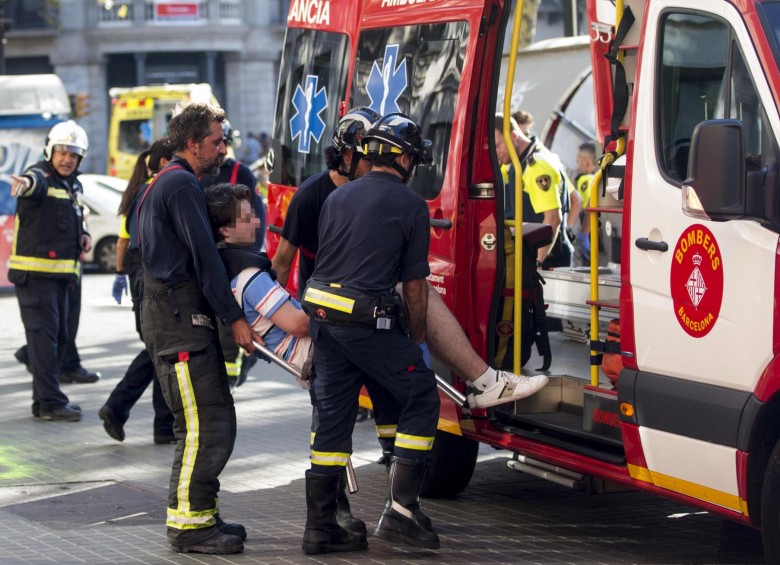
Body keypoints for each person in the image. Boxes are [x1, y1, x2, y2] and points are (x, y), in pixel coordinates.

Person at [273, 107, 547, 410]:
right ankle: (485, 381)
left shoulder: (362, 195)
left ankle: (481, 382)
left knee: (377, 402)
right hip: (331, 310)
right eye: (369, 156)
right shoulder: (314, 195)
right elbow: (283, 262)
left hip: (365, 303)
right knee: (344, 407)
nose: (376, 163)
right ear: (347, 157)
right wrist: (280, 326)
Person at [297, 113, 444, 553]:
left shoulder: (338, 198)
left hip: (324, 320)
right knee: (420, 394)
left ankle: (321, 529)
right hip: (368, 323)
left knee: (334, 419)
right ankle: (402, 512)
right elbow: (415, 285)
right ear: (401, 158)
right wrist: (416, 340)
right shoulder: (412, 205)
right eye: (414, 158)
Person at [137, 102, 262, 555]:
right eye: (216, 140)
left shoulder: (167, 183)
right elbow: (205, 259)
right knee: (203, 425)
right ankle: (189, 527)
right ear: (192, 144)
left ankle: (201, 511)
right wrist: (236, 319)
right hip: (179, 325)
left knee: (213, 421)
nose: (223, 148)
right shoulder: (181, 184)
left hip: (179, 320)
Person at [8, 120, 92, 421]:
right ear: (50, 152)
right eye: (62, 152)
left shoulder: (70, 185)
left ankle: (42, 403)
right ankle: (52, 403)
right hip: (35, 278)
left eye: (74, 154)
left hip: (60, 277)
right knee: (46, 340)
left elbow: (74, 219)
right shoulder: (40, 175)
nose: (68, 159)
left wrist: (85, 235)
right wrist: (25, 185)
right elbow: (32, 185)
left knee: (54, 339)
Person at [98, 138, 175, 444]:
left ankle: (157, 424)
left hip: (137, 275)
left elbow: (122, 240)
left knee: (158, 351)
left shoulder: (138, 192)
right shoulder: (160, 188)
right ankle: (120, 408)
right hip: (150, 276)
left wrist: (119, 274)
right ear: (164, 163)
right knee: (160, 350)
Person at [494, 113, 573, 269]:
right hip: (531, 255)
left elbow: (552, 218)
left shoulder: (536, 166)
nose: (495, 151)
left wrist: (537, 263)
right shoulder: (518, 161)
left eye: (497, 145)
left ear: (513, 136)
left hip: (547, 260)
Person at [573, 141, 599, 266]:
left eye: (578, 160)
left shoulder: (585, 180)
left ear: (586, 161)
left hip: (589, 233)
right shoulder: (596, 179)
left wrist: (583, 233)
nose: (576, 164)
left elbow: (590, 205)